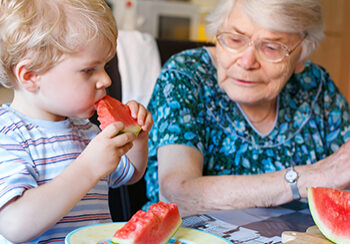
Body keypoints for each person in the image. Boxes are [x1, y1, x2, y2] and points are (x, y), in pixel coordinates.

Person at [144, 0, 350, 217]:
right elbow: (178, 194)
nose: (247, 61)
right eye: (234, 39)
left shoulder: (315, 85)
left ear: (302, 56)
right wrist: (306, 178)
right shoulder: (185, 75)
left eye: (271, 47)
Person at [0, 0, 153, 243]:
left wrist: (138, 138)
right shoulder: (8, 135)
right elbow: (14, 224)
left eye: (105, 66)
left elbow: (130, 175)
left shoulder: (86, 129)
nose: (105, 79)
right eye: (88, 70)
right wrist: (88, 168)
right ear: (31, 76)